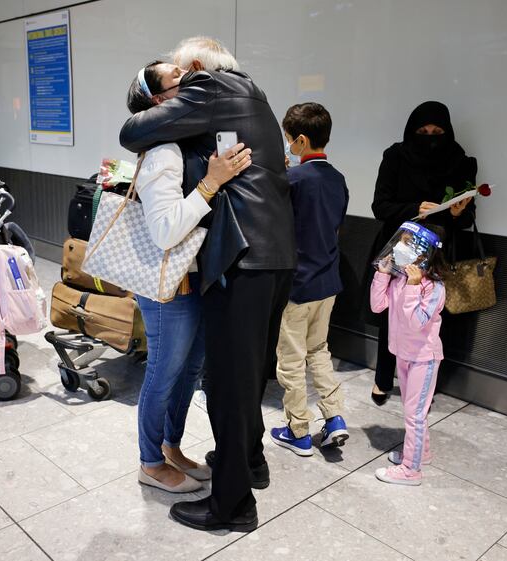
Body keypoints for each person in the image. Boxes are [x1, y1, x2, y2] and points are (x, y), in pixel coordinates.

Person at [120, 37, 296, 532]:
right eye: (170, 82)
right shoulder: (251, 93)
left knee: (225, 385)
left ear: (197, 68)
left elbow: (130, 130)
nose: (180, 86)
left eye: (179, 74)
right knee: (246, 374)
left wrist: (207, 183)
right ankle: (250, 464)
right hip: (274, 255)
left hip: (243, 260)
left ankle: (233, 507)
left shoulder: (210, 86)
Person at [126, 61, 252, 493]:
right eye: (179, 79)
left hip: (193, 277)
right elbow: (164, 232)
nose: (194, 81)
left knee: (189, 369)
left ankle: (170, 447)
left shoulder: (186, 145)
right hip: (167, 284)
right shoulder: (162, 150)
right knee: (164, 371)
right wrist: (211, 183)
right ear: (160, 101)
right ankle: (149, 461)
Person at [369, 101, 476, 405]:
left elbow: (468, 218)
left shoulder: (459, 161)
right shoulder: (396, 156)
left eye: (438, 131)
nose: (430, 137)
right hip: (401, 250)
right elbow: (380, 206)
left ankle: (421, 381)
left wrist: (455, 213)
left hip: (439, 255)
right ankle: (383, 378)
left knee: (429, 319)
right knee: (392, 313)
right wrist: (415, 209)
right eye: (423, 131)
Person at [269, 103, 350, 456]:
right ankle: (334, 419)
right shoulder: (338, 179)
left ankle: (297, 431)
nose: (288, 144)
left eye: (289, 139)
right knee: (319, 351)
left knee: (290, 359)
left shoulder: (292, 181)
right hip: (328, 282)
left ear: (300, 140)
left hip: (299, 285)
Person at [370, 222, 448, 486]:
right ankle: (421, 454)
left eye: (407, 242)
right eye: (400, 241)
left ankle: (411, 471)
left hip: (423, 358)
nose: (400, 247)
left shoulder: (433, 287)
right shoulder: (400, 278)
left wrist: (414, 288)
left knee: (414, 414)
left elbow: (417, 323)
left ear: (423, 253)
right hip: (402, 354)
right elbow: (378, 305)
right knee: (412, 410)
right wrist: (382, 275)